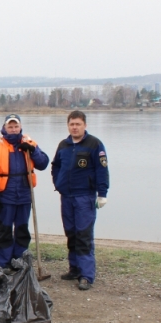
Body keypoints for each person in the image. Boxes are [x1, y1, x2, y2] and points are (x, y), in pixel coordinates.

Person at [51, 110, 110, 291]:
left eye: (78, 124)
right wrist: (58, 183)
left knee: (83, 235)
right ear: (68, 126)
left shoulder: (94, 144)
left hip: (84, 196)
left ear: (85, 125)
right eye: (72, 124)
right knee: (71, 234)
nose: (74, 127)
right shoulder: (63, 145)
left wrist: (102, 194)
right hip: (66, 196)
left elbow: (102, 170)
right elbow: (56, 166)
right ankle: (74, 268)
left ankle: (86, 275)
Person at [0, 114, 49, 273]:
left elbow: (43, 163)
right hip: (5, 194)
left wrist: (33, 151)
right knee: (4, 229)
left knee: (22, 229)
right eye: (10, 126)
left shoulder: (29, 144)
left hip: (24, 194)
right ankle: (3, 262)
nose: (13, 129)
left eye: (16, 126)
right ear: (4, 128)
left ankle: (18, 259)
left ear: (20, 127)